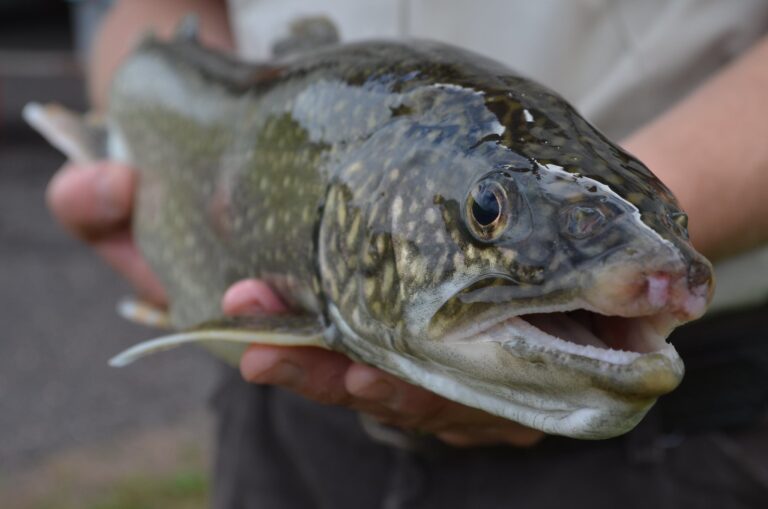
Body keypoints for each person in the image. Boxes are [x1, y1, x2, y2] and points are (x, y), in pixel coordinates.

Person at [49, 0, 768, 507]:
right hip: (293, 427)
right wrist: (146, 185)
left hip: (684, 440)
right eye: (490, 215)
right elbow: (144, 18)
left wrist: (638, 228)